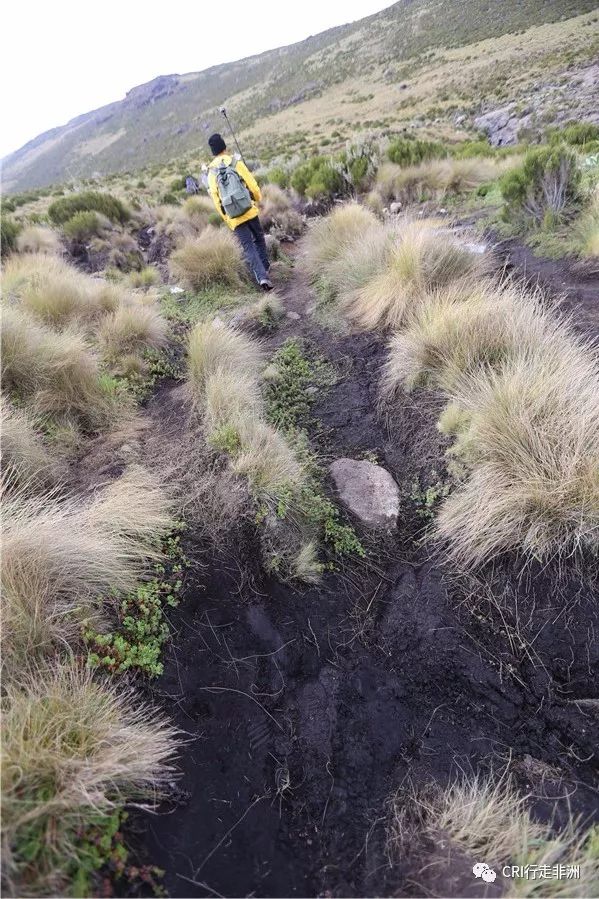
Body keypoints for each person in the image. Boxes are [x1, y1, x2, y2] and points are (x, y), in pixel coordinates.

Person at [206, 133, 272, 290]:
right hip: (249, 209)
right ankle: (265, 269)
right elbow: (252, 183)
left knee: (248, 246)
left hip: (233, 216)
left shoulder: (211, 172)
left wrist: (228, 219)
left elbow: (216, 200)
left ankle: (262, 276)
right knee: (259, 239)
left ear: (213, 152)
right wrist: (257, 199)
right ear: (225, 147)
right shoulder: (235, 162)